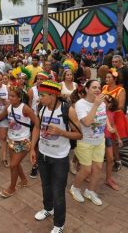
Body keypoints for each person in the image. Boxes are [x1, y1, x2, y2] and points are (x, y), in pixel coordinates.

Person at [30, 80, 82, 233]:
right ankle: (48, 208)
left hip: (60, 158)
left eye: (43, 95)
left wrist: (61, 132)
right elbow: (37, 128)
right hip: (43, 154)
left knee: (58, 191)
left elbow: (79, 135)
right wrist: (33, 148)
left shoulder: (67, 110)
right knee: (45, 185)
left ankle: (59, 224)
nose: (40, 98)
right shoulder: (41, 108)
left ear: (53, 95)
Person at [0, 86, 40, 198]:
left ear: (19, 98)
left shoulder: (25, 108)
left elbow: (37, 122)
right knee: (16, 164)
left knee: (13, 165)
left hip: (23, 141)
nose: (10, 98)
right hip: (11, 140)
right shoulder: (8, 107)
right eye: (9, 96)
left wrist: (34, 139)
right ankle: (23, 180)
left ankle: (12, 188)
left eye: (13, 96)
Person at [69, 80, 107, 206]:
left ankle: (90, 191)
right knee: (86, 169)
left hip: (100, 140)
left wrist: (110, 127)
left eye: (99, 87)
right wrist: (95, 105)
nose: (97, 90)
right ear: (86, 89)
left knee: (98, 168)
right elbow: (86, 122)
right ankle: (75, 188)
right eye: (94, 87)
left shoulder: (102, 103)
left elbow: (104, 118)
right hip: (85, 142)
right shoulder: (80, 104)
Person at [102, 69, 128, 172]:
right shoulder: (104, 87)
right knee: (105, 137)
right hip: (105, 116)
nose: (106, 79)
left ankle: (118, 160)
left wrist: (109, 107)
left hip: (116, 117)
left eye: (109, 77)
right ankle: (108, 156)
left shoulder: (121, 90)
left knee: (115, 140)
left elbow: (121, 106)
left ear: (114, 79)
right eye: (106, 77)